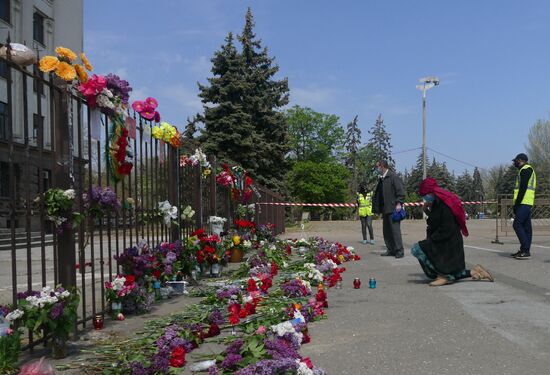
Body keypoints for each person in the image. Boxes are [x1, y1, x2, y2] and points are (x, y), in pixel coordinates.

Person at [411, 178, 494, 286]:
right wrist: (427, 210)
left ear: (431, 192)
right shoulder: (437, 201)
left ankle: (443, 276)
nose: (425, 197)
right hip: (447, 238)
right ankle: (477, 271)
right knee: (454, 272)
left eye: (426, 194)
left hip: (449, 241)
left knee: (418, 248)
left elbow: (446, 227)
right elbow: (435, 221)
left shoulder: (444, 203)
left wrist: (431, 240)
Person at [372, 160, 405, 258]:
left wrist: (399, 203)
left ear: (382, 166)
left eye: (377, 167)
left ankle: (399, 251)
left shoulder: (392, 177)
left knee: (395, 231)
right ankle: (390, 249)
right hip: (385, 209)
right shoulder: (382, 178)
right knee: (386, 231)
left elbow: (400, 191)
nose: (376, 169)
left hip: (393, 209)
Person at [511, 153, 536, 260]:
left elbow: (523, 189)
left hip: (524, 202)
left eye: (516, 161)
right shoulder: (526, 170)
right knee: (527, 228)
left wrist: (516, 204)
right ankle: (524, 250)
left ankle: (525, 249)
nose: (515, 163)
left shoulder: (525, 170)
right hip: (527, 202)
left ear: (521, 160)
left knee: (517, 224)